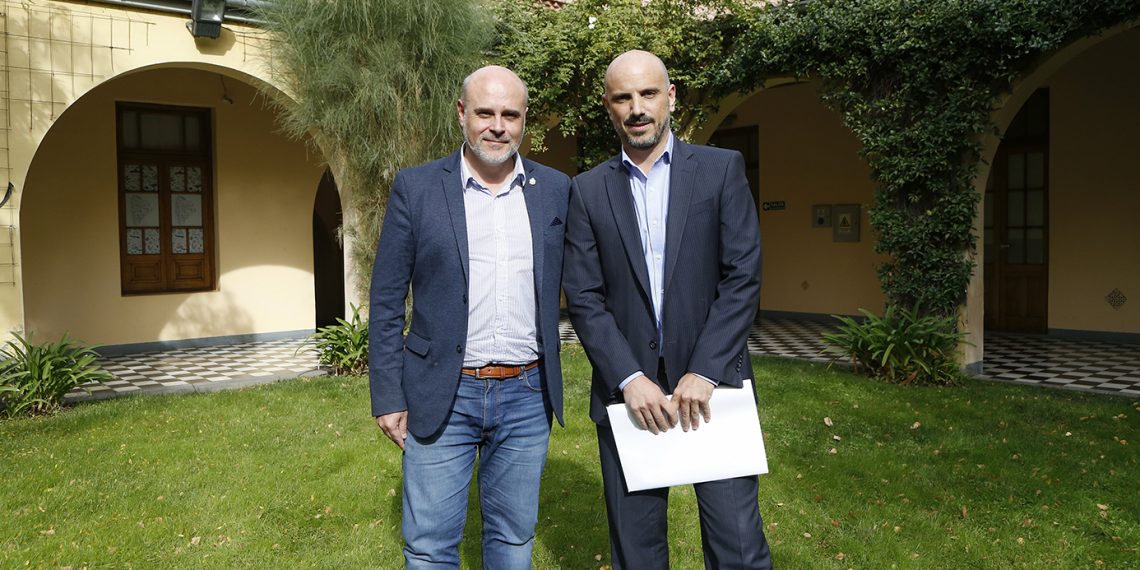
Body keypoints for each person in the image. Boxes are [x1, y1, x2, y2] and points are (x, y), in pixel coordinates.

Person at [563, 50, 772, 569]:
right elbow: (584, 296)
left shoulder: (720, 170)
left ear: (671, 97)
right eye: (623, 97)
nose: (637, 108)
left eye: (648, 93)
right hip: (628, 397)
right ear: (608, 106)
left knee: (738, 550)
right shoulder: (586, 191)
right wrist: (629, 377)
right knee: (637, 556)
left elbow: (742, 276)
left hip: (715, 390)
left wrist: (706, 369)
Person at [368, 65, 570, 569]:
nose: (497, 126)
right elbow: (387, 299)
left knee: (513, 539)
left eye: (510, 115)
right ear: (462, 113)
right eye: (485, 113)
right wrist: (388, 395)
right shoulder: (416, 188)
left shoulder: (555, 189)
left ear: (524, 119)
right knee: (430, 546)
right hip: (443, 390)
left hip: (528, 394)